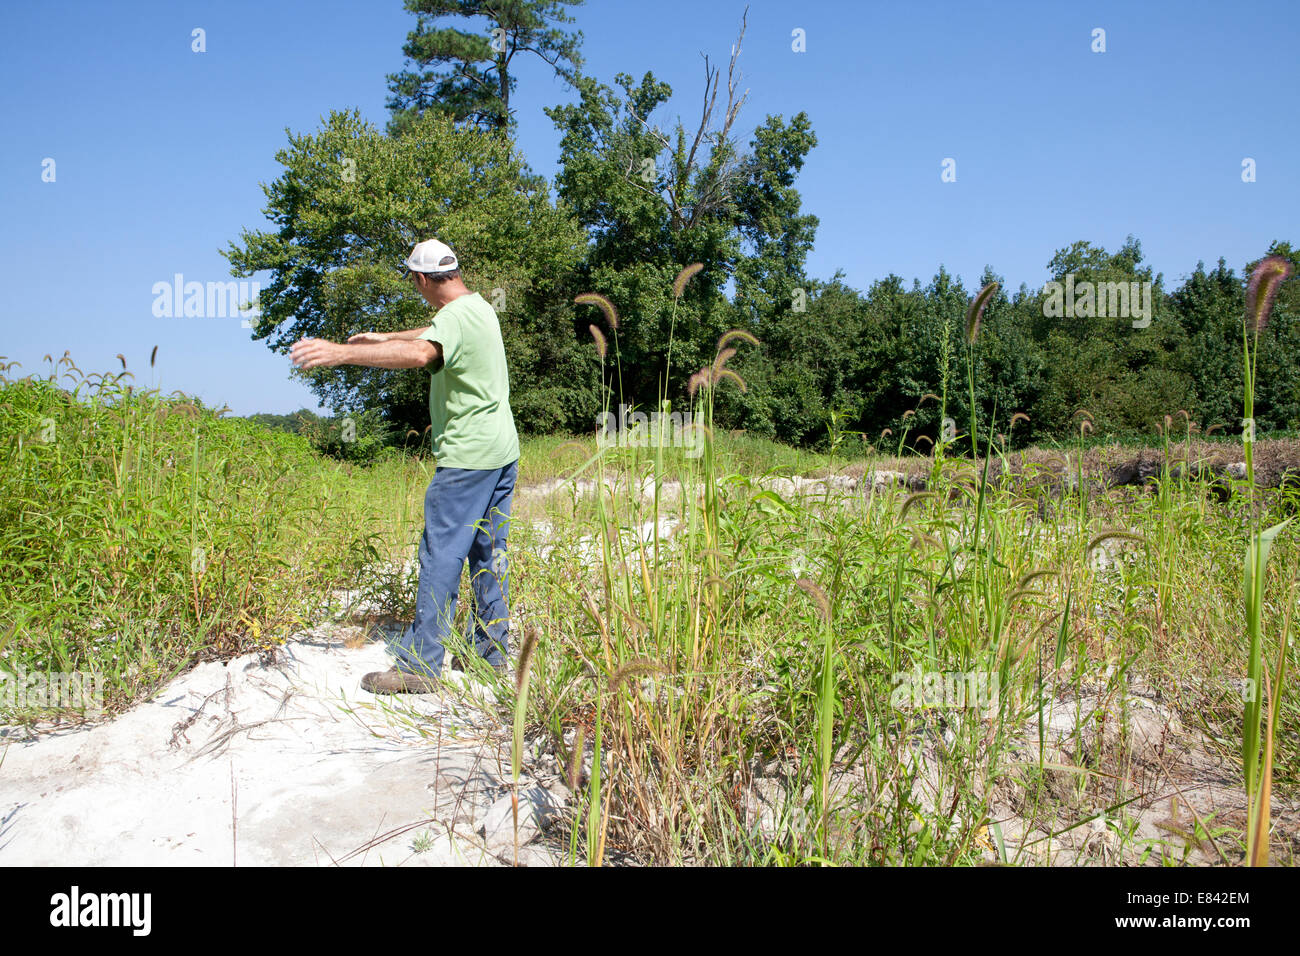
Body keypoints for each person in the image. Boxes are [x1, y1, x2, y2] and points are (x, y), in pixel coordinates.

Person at [289, 238, 520, 694]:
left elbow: (423, 352)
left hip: (466, 460)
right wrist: (384, 337)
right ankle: (491, 655)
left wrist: (341, 352)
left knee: (440, 555)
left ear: (419, 279)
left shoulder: (450, 320)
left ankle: (421, 665)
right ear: (453, 272)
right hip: (502, 452)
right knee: (488, 554)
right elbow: (431, 334)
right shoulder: (478, 309)